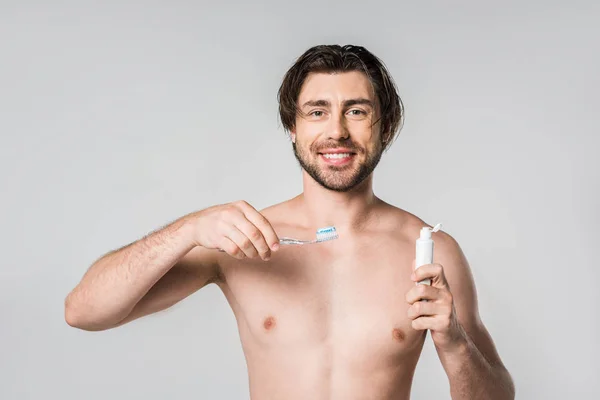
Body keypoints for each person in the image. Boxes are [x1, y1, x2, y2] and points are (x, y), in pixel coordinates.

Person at [65, 44, 515, 400]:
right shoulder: (241, 240)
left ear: (386, 125)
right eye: (317, 111)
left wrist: (455, 344)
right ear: (293, 128)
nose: (336, 130)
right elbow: (84, 312)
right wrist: (185, 230)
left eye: (356, 111)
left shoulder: (429, 251)